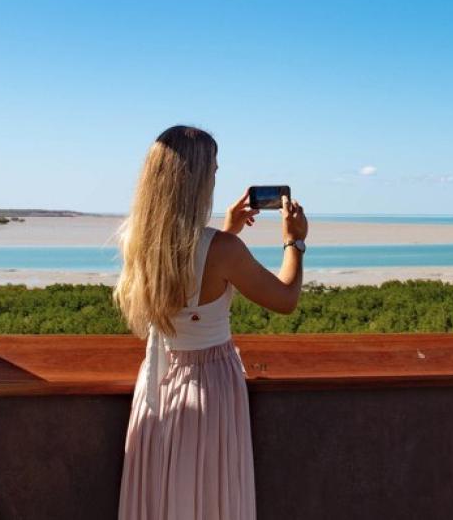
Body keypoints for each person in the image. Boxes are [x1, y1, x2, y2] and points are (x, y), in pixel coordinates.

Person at [114, 125, 308, 519]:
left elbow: (186, 273)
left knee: (165, 497)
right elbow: (285, 298)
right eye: (214, 171)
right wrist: (295, 241)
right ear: (198, 180)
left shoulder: (136, 238)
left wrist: (227, 230)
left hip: (158, 384)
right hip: (208, 387)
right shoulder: (223, 250)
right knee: (208, 499)